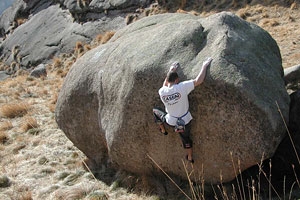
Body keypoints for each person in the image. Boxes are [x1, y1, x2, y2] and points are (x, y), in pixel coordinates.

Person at [153, 57, 213, 163]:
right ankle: (190, 157)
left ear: (168, 81)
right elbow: (199, 81)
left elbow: (165, 84)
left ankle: (162, 130)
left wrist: (171, 70)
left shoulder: (162, 91)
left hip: (170, 120)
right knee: (186, 139)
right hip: (184, 121)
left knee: (155, 111)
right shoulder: (181, 87)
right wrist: (204, 66)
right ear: (177, 80)